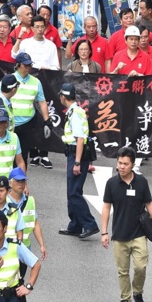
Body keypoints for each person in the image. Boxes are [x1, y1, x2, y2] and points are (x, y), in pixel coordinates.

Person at [101, 146, 152, 302]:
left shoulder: (141, 182)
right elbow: (106, 207)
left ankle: (138, 293)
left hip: (139, 234)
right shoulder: (111, 183)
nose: (122, 167)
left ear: (133, 165)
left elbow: (149, 203)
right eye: (120, 163)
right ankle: (125, 300)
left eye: (126, 164)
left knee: (141, 267)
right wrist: (104, 232)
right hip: (119, 235)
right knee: (123, 271)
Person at [0, 52, 53, 166]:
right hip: (9, 124)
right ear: (18, 65)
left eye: (30, 65)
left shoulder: (36, 82)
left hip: (27, 125)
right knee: (6, 155)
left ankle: (20, 182)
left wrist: (47, 121)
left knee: (22, 156)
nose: (28, 68)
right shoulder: (8, 80)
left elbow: (42, 102)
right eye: (25, 65)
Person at [58, 83, 99, 239]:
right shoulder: (75, 111)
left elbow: (80, 139)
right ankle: (75, 225)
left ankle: (90, 224)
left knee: (74, 193)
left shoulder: (75, 113)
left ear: (63, 97)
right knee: (72, 192)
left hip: (77, 155)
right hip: (75, 154)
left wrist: (76, 162)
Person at [8, 167, 47, 263]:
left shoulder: (30, 201)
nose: (21, 184)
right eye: (17, 181)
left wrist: (42, 245)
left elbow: (35, 224)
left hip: (25, 248)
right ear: (10, 183)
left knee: (21, 277)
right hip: (7, 249)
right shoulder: (4, 201)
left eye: (23, 181)